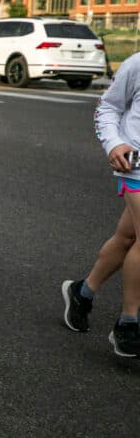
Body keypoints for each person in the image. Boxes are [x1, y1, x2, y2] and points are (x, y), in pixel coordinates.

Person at [63, 51, 140, 358]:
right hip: (135, 165)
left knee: (127, 237)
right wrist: (114, 143)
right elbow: (107, 108)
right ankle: (129, 323)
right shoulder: (137, 64)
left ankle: (82, 292)